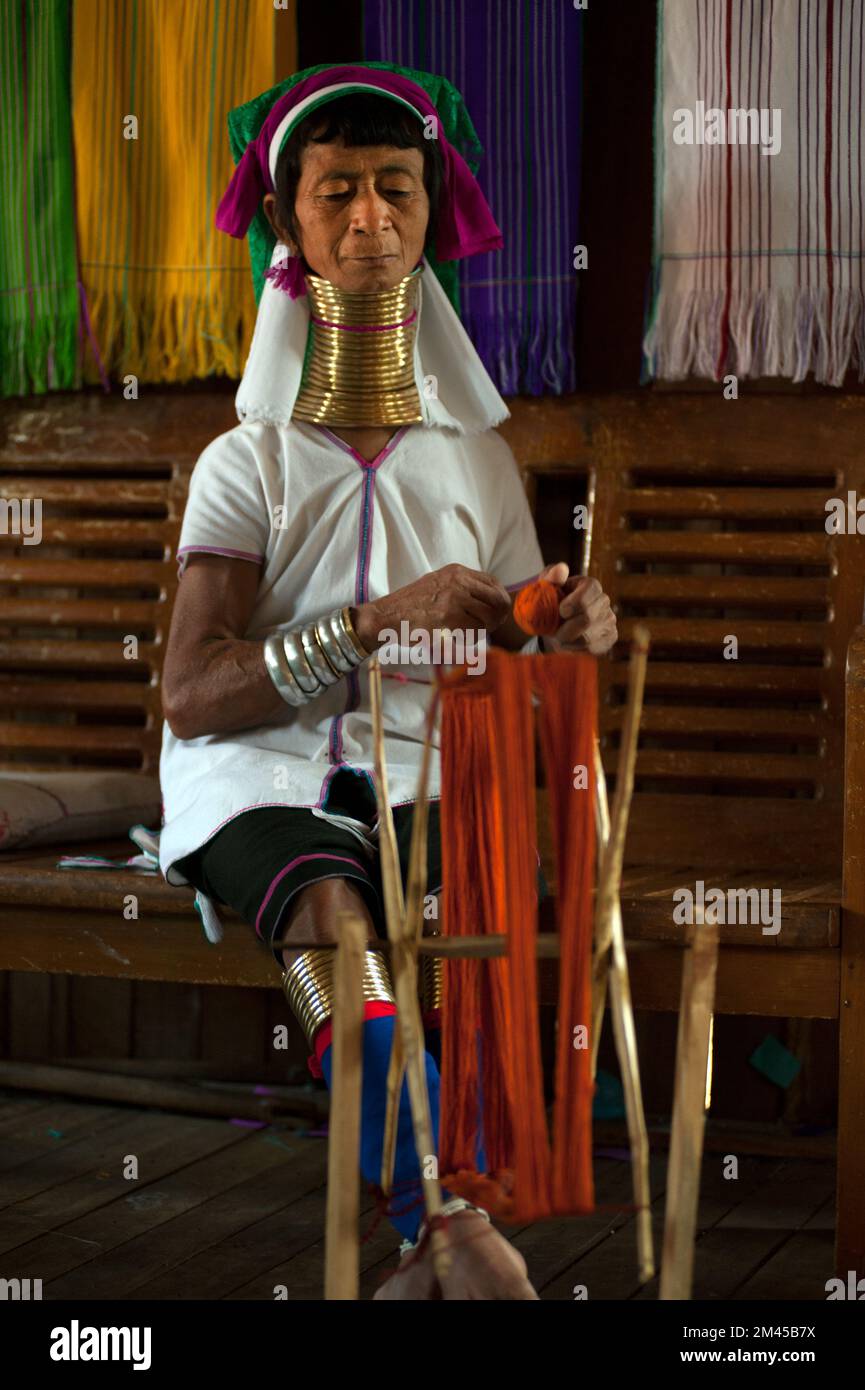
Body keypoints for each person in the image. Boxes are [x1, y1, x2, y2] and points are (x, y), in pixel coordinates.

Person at [158, 61, 617, 1300]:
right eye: (337, 194)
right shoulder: (243, 461)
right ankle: (448, 1223)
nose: (371, 220)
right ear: (289, 228)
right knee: (341, 937)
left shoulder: (472, 456)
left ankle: (426, 1251)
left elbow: (524, 629)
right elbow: (192, 698)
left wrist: (566, 622)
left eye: (396, 190)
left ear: (427, 210)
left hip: (422, 770)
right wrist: (369, 623)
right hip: (258, 779)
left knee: (455, 940)